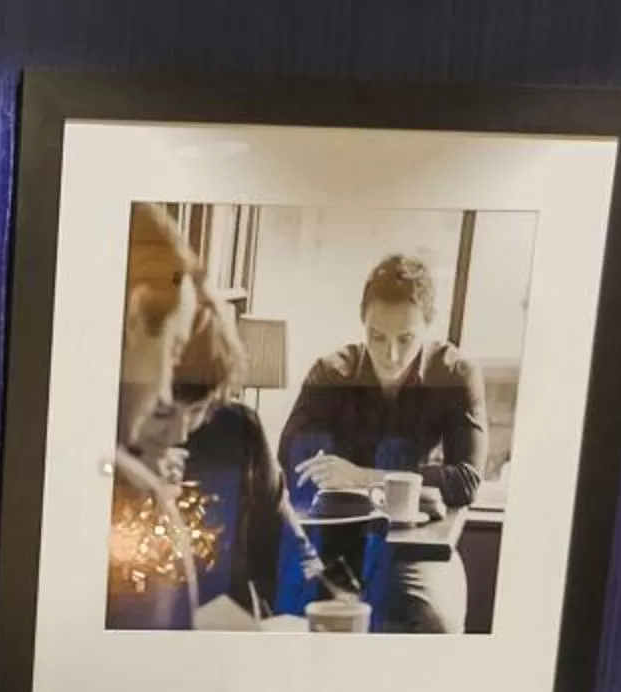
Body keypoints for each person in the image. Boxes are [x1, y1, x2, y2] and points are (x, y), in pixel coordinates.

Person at [276, 253, 487, 633]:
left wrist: (363, 476)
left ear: (428, 327)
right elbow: (289, 461)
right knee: (285, 619)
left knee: (430, 623)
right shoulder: (331, 372)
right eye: (377, 336)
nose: (390, 355)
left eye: (406, 339)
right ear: (363, 323)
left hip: (412, 545)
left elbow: (467, 480)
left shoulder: (456, 374)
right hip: (332, 540)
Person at [107, 205, 249, 629]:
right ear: (135, 317)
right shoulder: (134, 490)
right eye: (172, 350)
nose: (165, 395)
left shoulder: (241, 437)